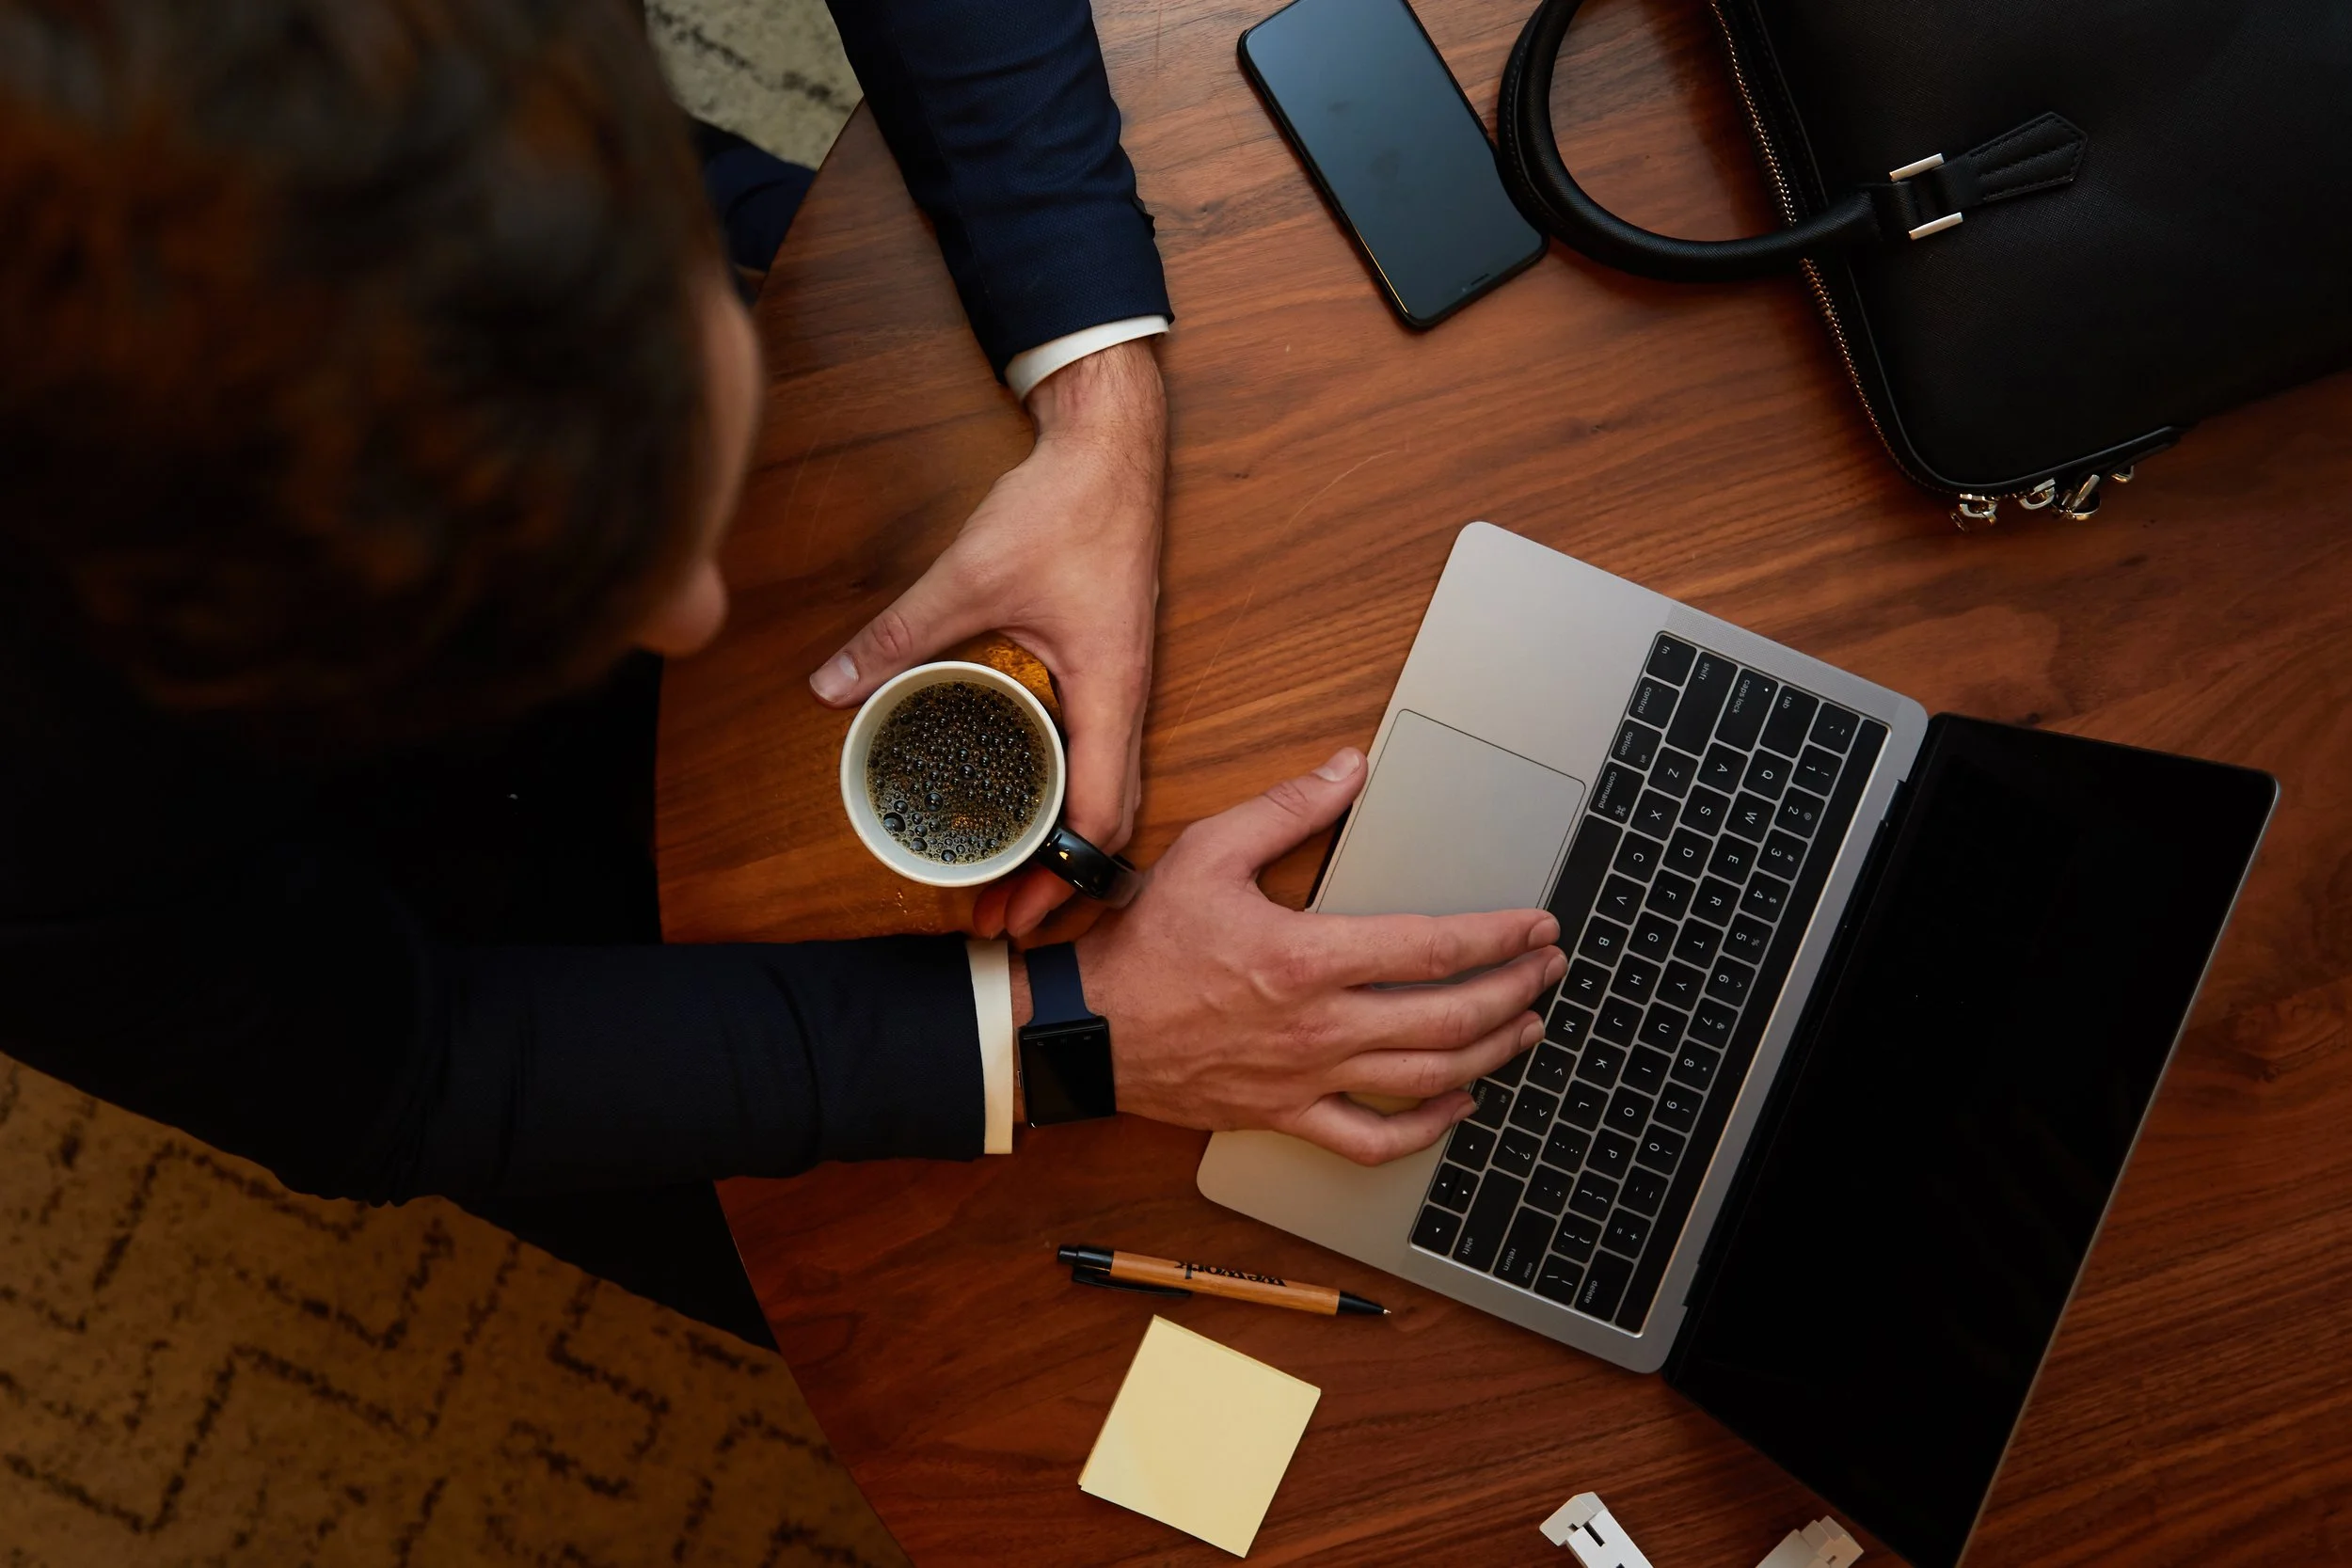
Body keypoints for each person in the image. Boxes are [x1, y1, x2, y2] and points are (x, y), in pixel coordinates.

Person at [0, 0, 1564, 1348]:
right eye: (597, 585)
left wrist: (1101, 407)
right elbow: (396, 1070)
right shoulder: (46, 790)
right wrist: (1066, 1032)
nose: (695, 611)